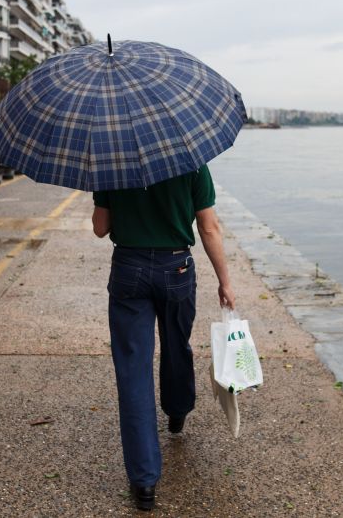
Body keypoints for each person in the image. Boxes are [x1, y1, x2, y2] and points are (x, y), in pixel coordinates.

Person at [92, 163, 235, 511]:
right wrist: (225, 281)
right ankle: (177, 410)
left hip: (128, 269)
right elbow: (209, 226)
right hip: (177, 267)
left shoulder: (110, 163)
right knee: (176, 345)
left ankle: (144, 484)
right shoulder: (192, 163)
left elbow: (100, 228)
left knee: (133, 371)